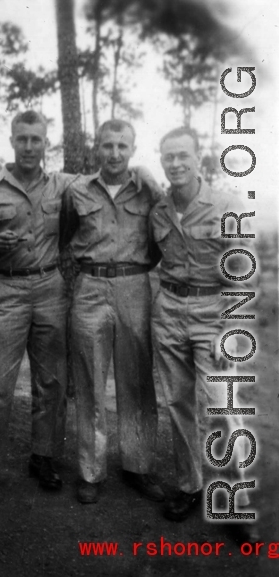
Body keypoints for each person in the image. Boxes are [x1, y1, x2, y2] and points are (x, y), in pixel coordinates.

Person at [0, 110, 75, 503]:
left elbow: (100, 193)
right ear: (12, 141)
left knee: (52, 383)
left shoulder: (64, 186)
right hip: (8, 291)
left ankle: (43, 457)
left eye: (36, 139)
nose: (29, 146)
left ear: (46, 144)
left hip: (52, 288)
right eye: (22, 138)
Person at [150, 126, 257, 531]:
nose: (175, 164)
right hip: (169, 310)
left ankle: (237, 499)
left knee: (222, 407)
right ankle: (189, 485)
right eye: (168, 157)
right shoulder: (158, 211)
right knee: (177, 404)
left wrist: (228, 329)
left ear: (199, 159)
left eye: (183, 156)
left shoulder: (226, 205)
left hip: (214, 311)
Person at [61, 119, 165, 504]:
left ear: (133, 149)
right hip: (89, 288)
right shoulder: (77, 191)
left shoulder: (148, 191)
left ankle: (138, 466)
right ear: (97, 148)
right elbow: (64, 235)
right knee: (90, 381)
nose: (115, 153)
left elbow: (159, 240)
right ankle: (91, 471)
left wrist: (135, 270)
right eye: (108, 145)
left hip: (135, 287)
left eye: (123, 146)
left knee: (136, 380)